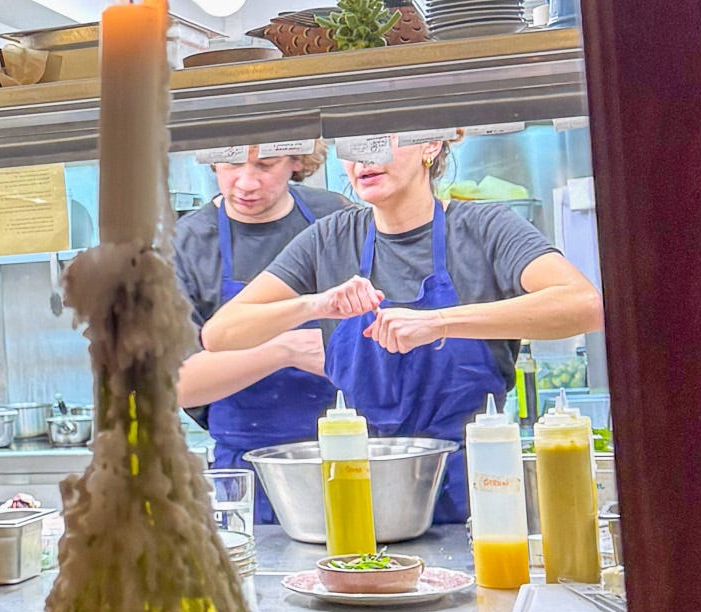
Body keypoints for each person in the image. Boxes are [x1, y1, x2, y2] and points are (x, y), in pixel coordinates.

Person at [201, 133, 602, 523]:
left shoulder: (484, 227)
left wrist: (440, 322)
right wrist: (317, 303)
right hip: (365, 493)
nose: (365, 157)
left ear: (432, 143)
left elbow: (585, 305)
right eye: (354, 143)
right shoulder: (330, 238)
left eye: (383, 138)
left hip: (479, 492)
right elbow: (221, 333)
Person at [172, 143, 355, 521]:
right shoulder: (183, 247)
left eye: (265, 165)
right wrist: (285, 350)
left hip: (352, 457)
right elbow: (176, 384)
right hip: (249, 477)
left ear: (297, 159)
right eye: (231, 164)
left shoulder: (335, 218)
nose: (246, 182)